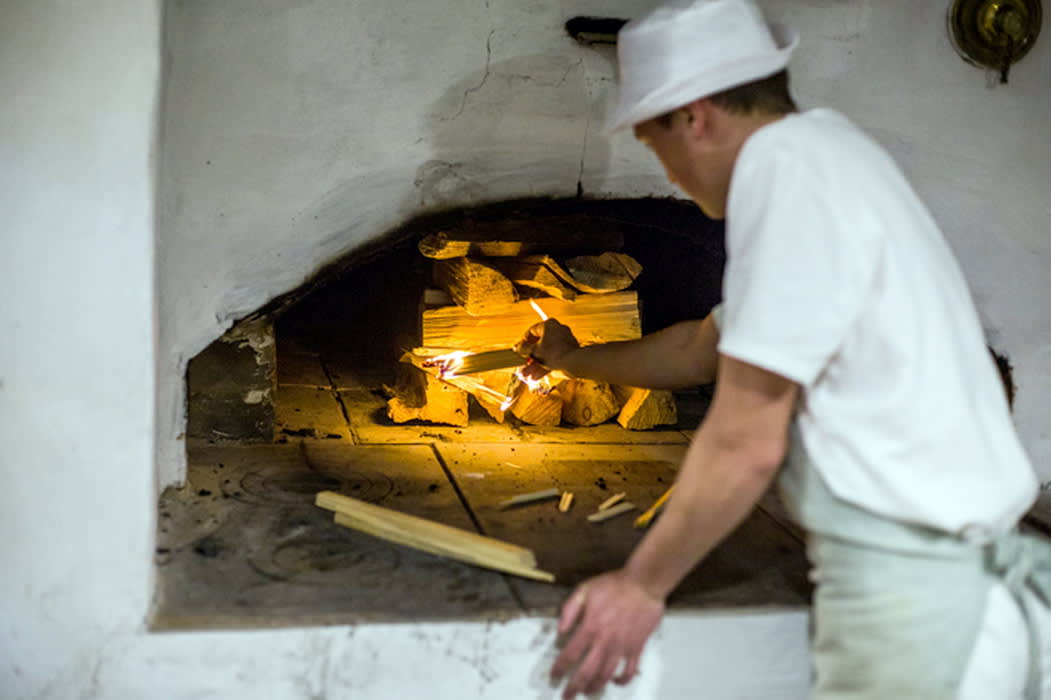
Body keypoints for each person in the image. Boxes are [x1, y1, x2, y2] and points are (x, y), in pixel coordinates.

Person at [515, 1, 1051, 698]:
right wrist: (570, 357)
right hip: (949, 585)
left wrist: (641, 586)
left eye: (653, 142)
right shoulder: (826, 157)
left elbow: (746, 439)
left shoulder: (786, 178)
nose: (668, 174)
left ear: (694, 117)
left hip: (919, 604)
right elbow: (698, 350)